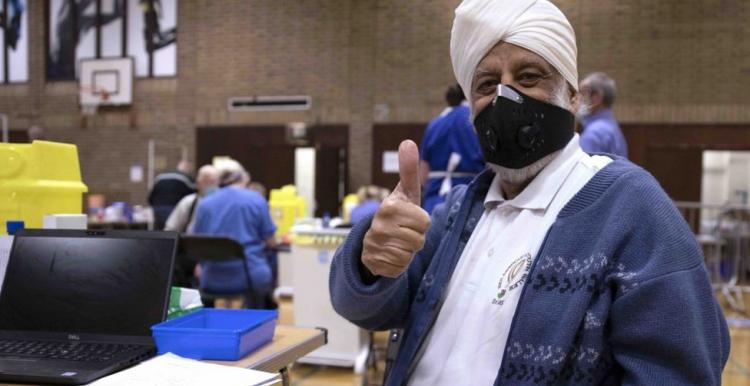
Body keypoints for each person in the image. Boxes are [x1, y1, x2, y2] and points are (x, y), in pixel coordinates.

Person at [329, 1, 729, 385]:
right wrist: (371, 261)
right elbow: (367, 309)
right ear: (471, 109)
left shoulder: (632, 209)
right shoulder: (459, 211)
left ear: (573, 97)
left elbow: (679, 371)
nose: (506, 97)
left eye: (529, 77)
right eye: (487, 84)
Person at [192, 161, 277, 307]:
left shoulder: (205, 204)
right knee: (271, 259)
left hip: (212, 278)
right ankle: (259, 315)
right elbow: (271, 242)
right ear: (242, 178)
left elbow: (196, 244)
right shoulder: (256, 199)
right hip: (251, 277)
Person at [420, 84, 485, 214]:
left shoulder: (435, 124)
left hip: (434, 201)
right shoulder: (475, 122)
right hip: (469, 200)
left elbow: (423, 173)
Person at [578, 72, 628, 157]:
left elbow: (579, 169)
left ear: (596, 98)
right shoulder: (610, 126)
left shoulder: (594, 133)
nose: (576, 99)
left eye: (582, 93)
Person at [164, 164, 220, 233]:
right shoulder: (189, 202)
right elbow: (171, 228)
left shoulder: (224, 203)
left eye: (213, 182)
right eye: (206, 181)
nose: (210, 185)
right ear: (198, 182)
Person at [148, 160, 196, 230]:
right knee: (172, 232)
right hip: (174, 209)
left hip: (158, 208)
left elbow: (151, 196)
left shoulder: (160, 176)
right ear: (187, 168)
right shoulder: (186, 178)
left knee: (160, 232)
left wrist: (155, 206)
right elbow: (194, 196)